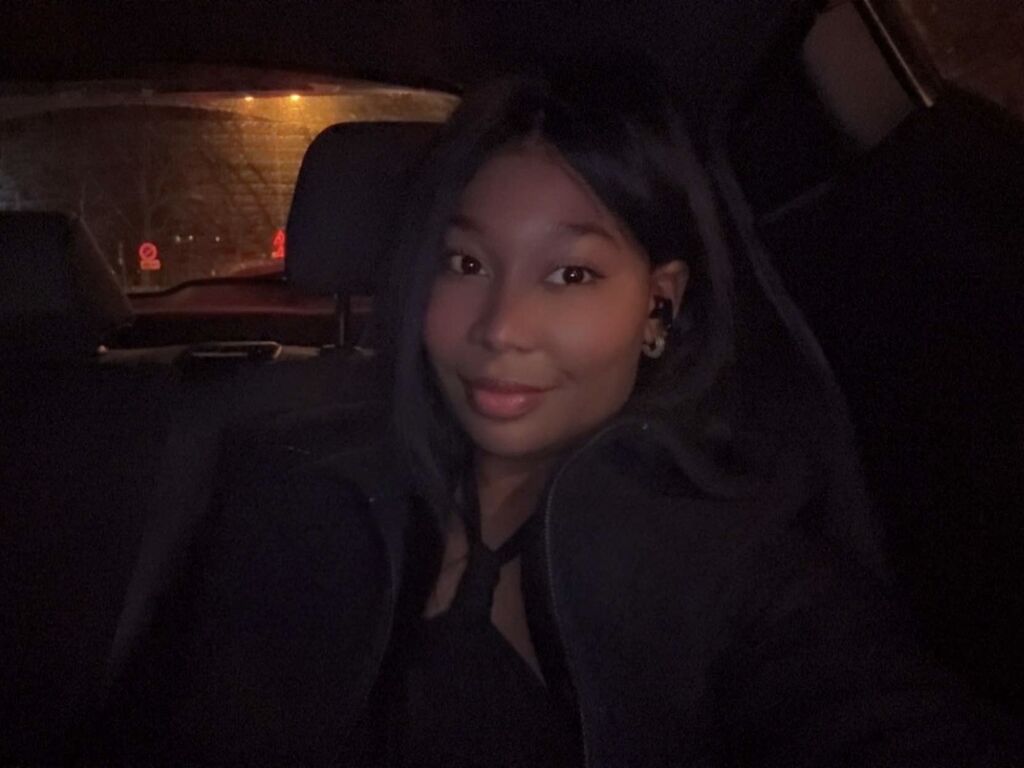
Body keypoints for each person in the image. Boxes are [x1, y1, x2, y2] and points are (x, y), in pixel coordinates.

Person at [117, 58, 1020, 766]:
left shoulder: (739, 557)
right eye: (466, 264)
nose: (502, 327)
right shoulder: (289, 485)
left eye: (571, 274)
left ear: (659, 305)